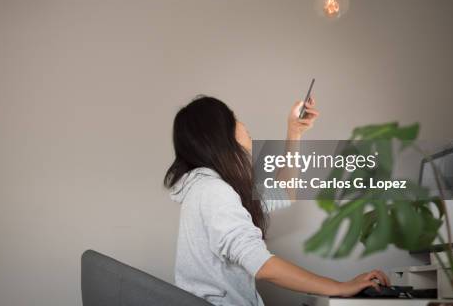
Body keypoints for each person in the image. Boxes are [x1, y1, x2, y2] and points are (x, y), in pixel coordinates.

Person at [164, 96, 390, 306]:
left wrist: (294, 133)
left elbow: (284, 191)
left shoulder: (210, 189)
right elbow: (263, 266)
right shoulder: (213, 192)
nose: (243, 124)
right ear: (218, 135)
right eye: (234, 119)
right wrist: (341, 288)